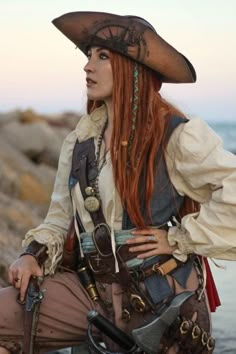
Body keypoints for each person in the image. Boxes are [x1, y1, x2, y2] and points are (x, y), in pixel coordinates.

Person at [0, 10, 236, 354]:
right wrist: (31, 254)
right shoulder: (80, 142)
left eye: (103, 56)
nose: (87, 66)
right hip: (90, 290)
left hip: (159, 297)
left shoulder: (175, 134)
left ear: (131, 68)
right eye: (89, 55)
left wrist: (179, 238)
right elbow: (58, 218)